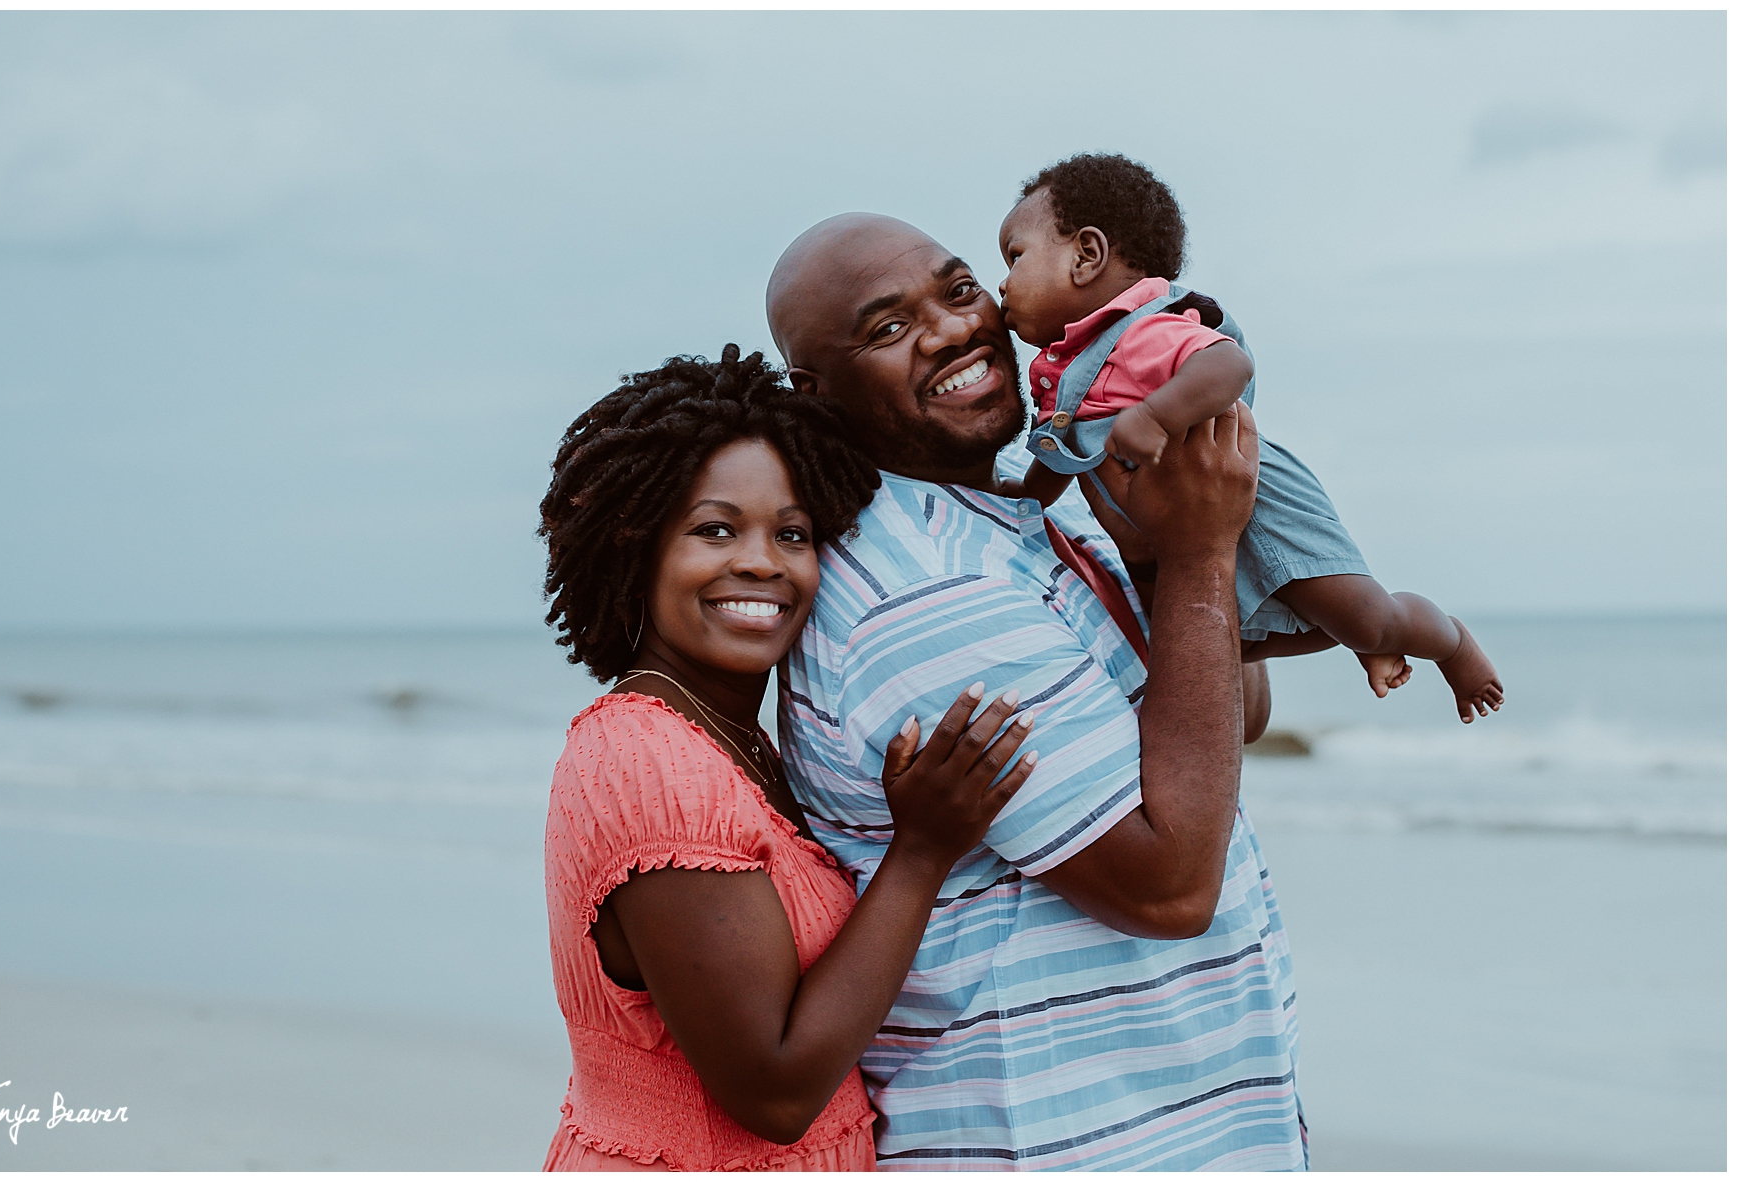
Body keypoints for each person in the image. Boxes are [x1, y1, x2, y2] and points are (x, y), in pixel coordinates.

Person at [765, 215, 1304, 1170]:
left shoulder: (1022, 513)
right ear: (817, 395)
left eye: (960, 289)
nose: (950, 330)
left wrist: (1161, 548)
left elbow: (1234, 718)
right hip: (1063, 1143)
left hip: (1186, 1127)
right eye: (888, 329)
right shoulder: (921, 591)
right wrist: (1199, 548)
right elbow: (1171, 883)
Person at [538, 345, 1044, 1171]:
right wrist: (920, 852)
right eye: (715, 529)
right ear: (635, 547)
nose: (762, 563)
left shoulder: (730, 741)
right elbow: (773, 1091)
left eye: (794, 533)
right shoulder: (646, 761)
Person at [1001, 152, 1503, 724]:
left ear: (1086, 256)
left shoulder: (1140, 329)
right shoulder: (1060, 373)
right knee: (1225, 645)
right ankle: (1360, 638)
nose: (1002, 282)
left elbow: (1227, 366)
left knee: (1366, 617)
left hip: (1257, 505)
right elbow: (1059, 454)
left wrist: (1155, 416)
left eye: (1015, 257)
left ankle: (1448, 639)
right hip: (1187, 529)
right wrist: (1022, 501)